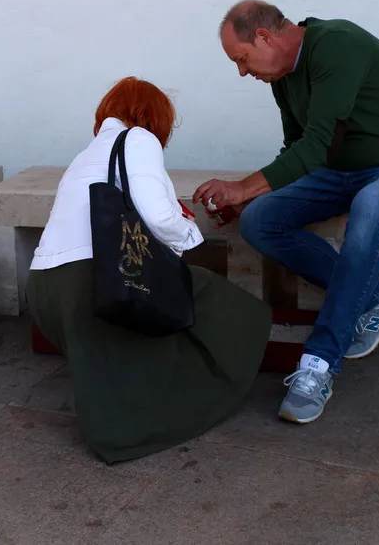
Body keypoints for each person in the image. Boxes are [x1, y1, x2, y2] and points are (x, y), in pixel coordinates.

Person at [193, 0, 379, 425]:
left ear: (264, 37)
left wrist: (242, 186)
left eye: (241, 59)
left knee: (369, 206)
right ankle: (377, 299)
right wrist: (249, 199)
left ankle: (319, 364)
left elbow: (315, 145)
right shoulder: (282, 78)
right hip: (339, 172)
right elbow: (298, 149)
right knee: (260, 220)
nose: (242, 72)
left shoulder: (336, 44)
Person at [26, 76, 272, 464]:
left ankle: (130, 403)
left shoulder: (86, 154)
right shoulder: (139, 139)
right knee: (211, 298)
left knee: (143, 326)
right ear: (153, 116)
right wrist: (190, 234)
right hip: (92, 284)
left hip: (45, 289)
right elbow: (158, 217)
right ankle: (208, 388)